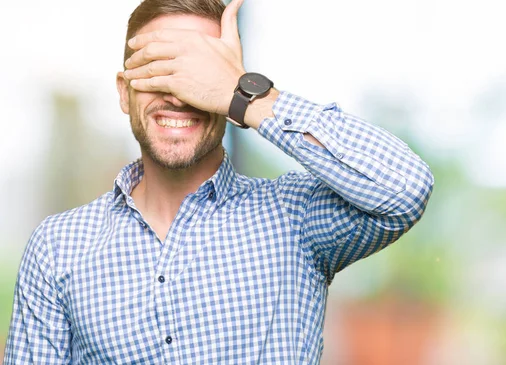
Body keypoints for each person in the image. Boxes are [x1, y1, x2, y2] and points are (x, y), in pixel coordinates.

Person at [3, 0, 434, 363]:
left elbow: (405, 187)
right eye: (158, 70)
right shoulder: (58, 247)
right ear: (123, 91)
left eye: (196, 74)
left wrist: (246, 94)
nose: (176, 93)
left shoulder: (295, 217)